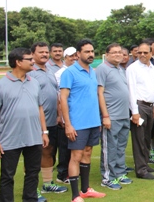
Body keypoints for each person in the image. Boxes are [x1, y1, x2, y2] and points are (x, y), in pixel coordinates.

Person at [0, 48, 49, 202]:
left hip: (33, 137)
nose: (33, 61)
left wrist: (44, 131)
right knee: (7, 176)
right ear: (18, 62)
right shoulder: (1, 84)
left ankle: (30, 199)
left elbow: (39, 107)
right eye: (29, 59)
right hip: (9, 138)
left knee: (33, 173)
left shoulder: (34, 82)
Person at [60, 39, 106, 201]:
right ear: (78, 54)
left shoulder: (92, 72)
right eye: (87, 51)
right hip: (77, 123)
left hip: (93, 122)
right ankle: (75, 195)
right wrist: (68, 125)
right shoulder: (69, 73)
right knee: (76, 156)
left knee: (87, 153)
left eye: (92, 51)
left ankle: (85, 189)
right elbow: (63, 99)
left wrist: (98, 120)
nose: (91, 54)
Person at [29, 42, 68, 199]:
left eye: (46, 52)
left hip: (51, 120)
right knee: (32, 155)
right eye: (41, 52)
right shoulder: (30, 71)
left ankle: (47, 183)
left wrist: (59, 115)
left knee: (49, 151)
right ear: (33, 54)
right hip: (35, 121)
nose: (44, 54)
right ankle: (31, 189)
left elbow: (56, 94)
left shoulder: (50, 70)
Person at [97, 43, 132, 190]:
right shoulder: (102, 69)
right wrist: (105, 115)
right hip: (111, 116)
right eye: (114, 52)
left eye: (120, 52)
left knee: (121, 146)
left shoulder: (120, 69)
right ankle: (108, 177)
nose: (118, 54)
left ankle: (119, 172)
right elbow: (100, 93)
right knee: (109, 147)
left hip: (124, 115)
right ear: (107, 54)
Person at [126, 42, 154, 180]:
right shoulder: (132, 69)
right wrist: (134, 111)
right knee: (139, 138)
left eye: (146, 52)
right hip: (139, 106)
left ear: (151, 53)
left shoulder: (152, 67)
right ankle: (140, 170)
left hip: (150, 106)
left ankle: (145, 164)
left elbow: (153, 87)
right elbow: (131, 90)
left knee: (146, 137)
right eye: (140, 52)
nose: (142, 55)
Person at [55, 47, 77, 185]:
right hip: (65, 115)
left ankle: (71, 172)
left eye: (76, 55)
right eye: (71, 56)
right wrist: (61, 116)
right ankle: (62, 174)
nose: (74, 58)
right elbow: (59, 97)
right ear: (65, 58)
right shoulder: (60, 73)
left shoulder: (78, 71)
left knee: (74, 146)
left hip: (76, 115)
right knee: (64, 146)